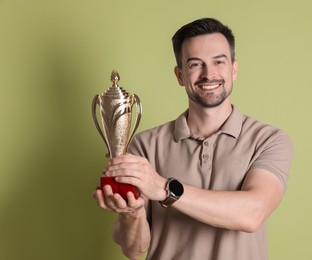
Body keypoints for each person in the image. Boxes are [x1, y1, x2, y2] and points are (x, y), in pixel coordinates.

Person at [93, 17, 293, 260]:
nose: (209, 74)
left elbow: (252, 214)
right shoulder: (145, 145)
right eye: (195, 64)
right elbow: (134, 249)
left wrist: (164, 188)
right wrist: (133, 213)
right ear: (180, 75)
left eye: (219, 61)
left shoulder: (269, 140)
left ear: (234, 69)